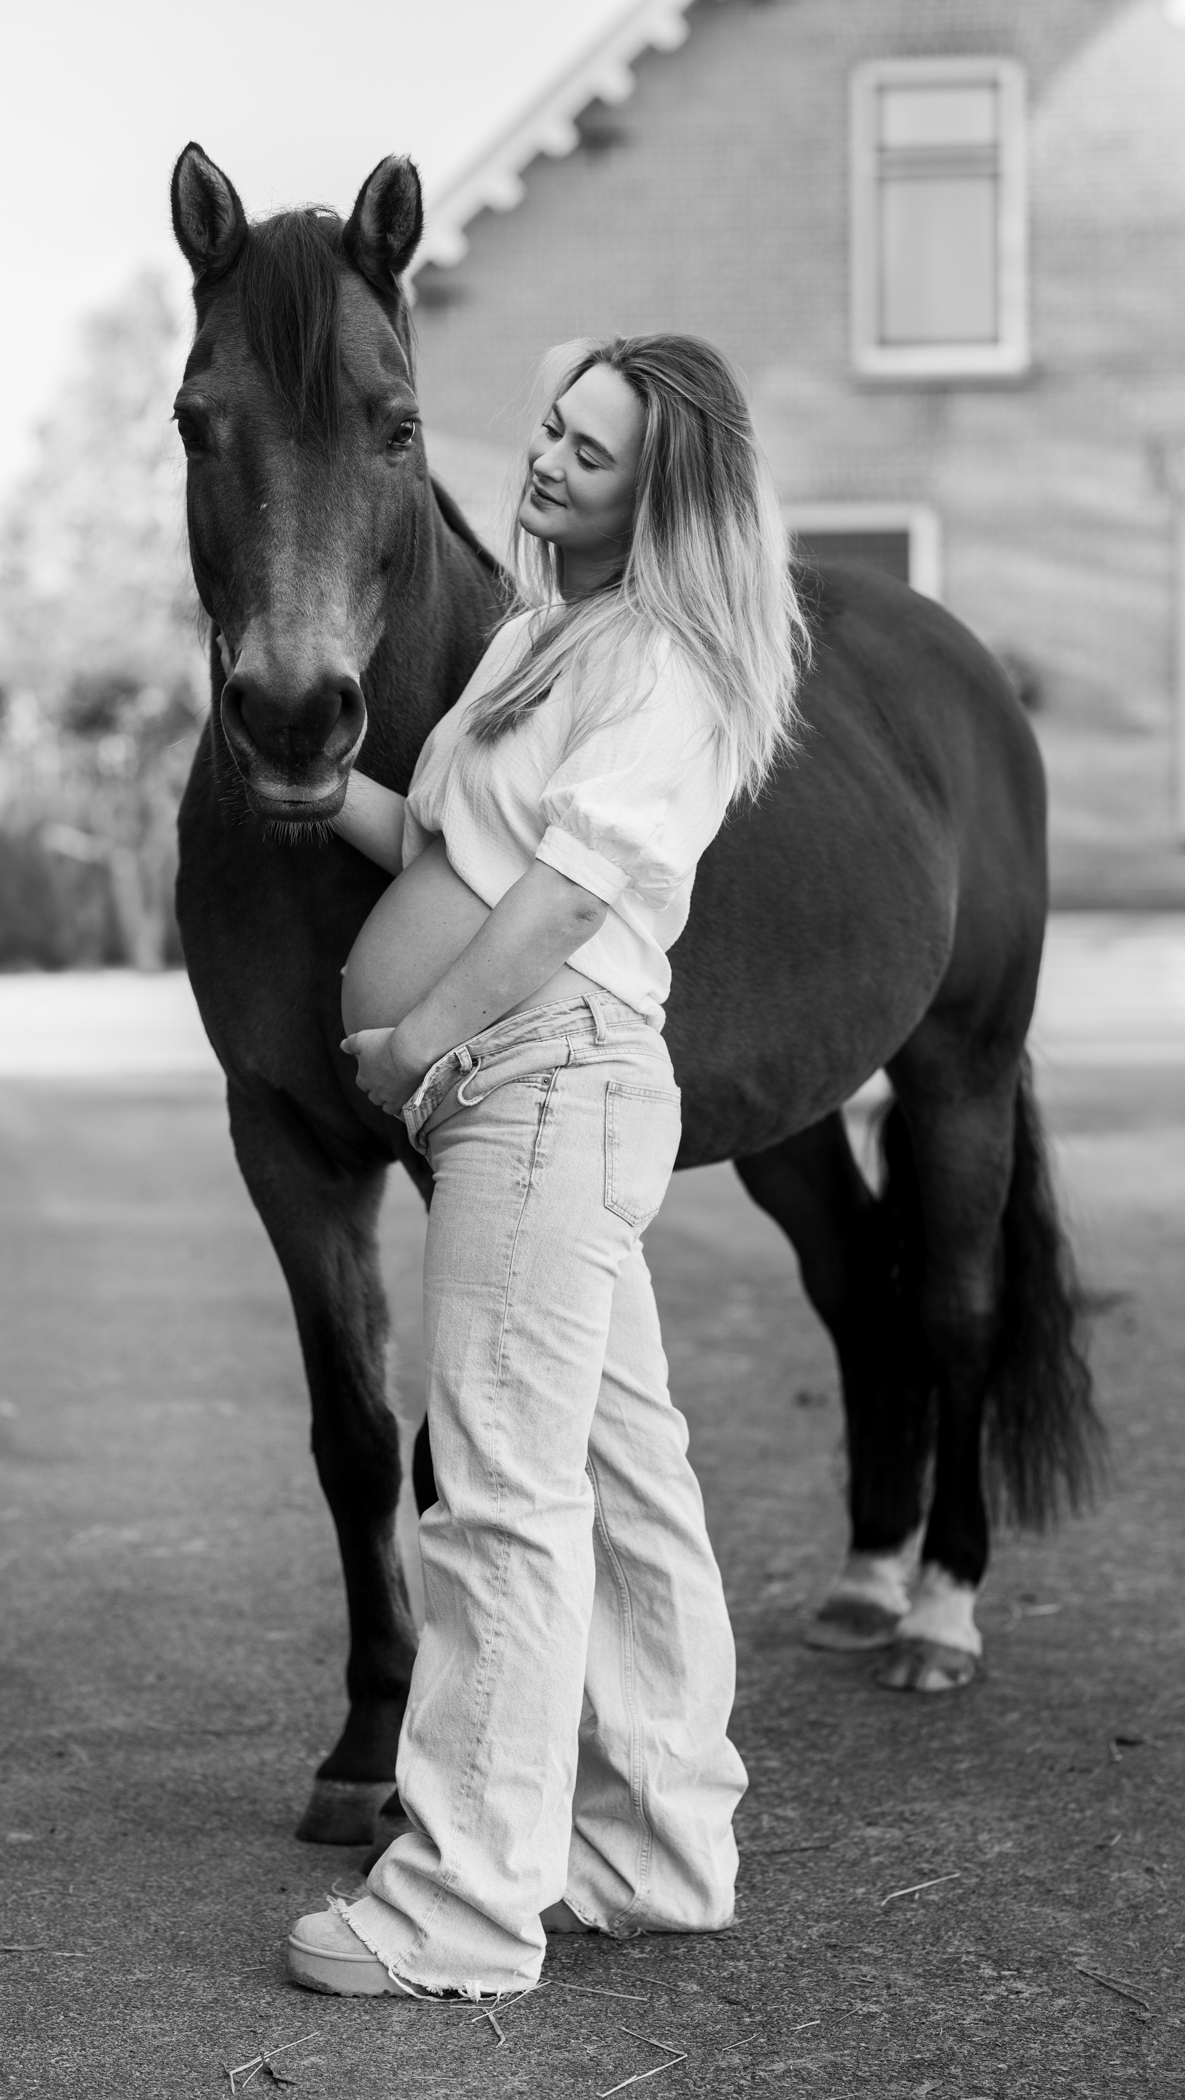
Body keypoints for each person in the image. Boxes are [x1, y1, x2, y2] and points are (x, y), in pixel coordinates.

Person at [286, 333, 808, 2002]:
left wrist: (416, 1041)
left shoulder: (665, 658)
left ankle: (460, 1906)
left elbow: (569, 899)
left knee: (499, 1493)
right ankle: (657, 1848)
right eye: (550, 429)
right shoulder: (540, 636)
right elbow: (458, 849)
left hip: (541, 1076)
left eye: (594, 451)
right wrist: (318, 789)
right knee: (624, 1473)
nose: (548, 459)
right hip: (519, 1086)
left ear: (663, 494)